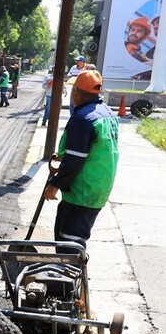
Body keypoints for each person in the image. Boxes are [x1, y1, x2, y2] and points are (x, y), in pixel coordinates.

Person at [44, 71, 119, 254]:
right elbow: (94, 149)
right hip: (97, 188)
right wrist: (64, 154)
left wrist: (55, 184)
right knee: (69, 235)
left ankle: (68, 279)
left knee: (69, 242)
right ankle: (68, 277)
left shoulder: (82, 119)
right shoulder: (107, 113)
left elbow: (75, 160)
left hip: (82, 191)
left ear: (76, 92)